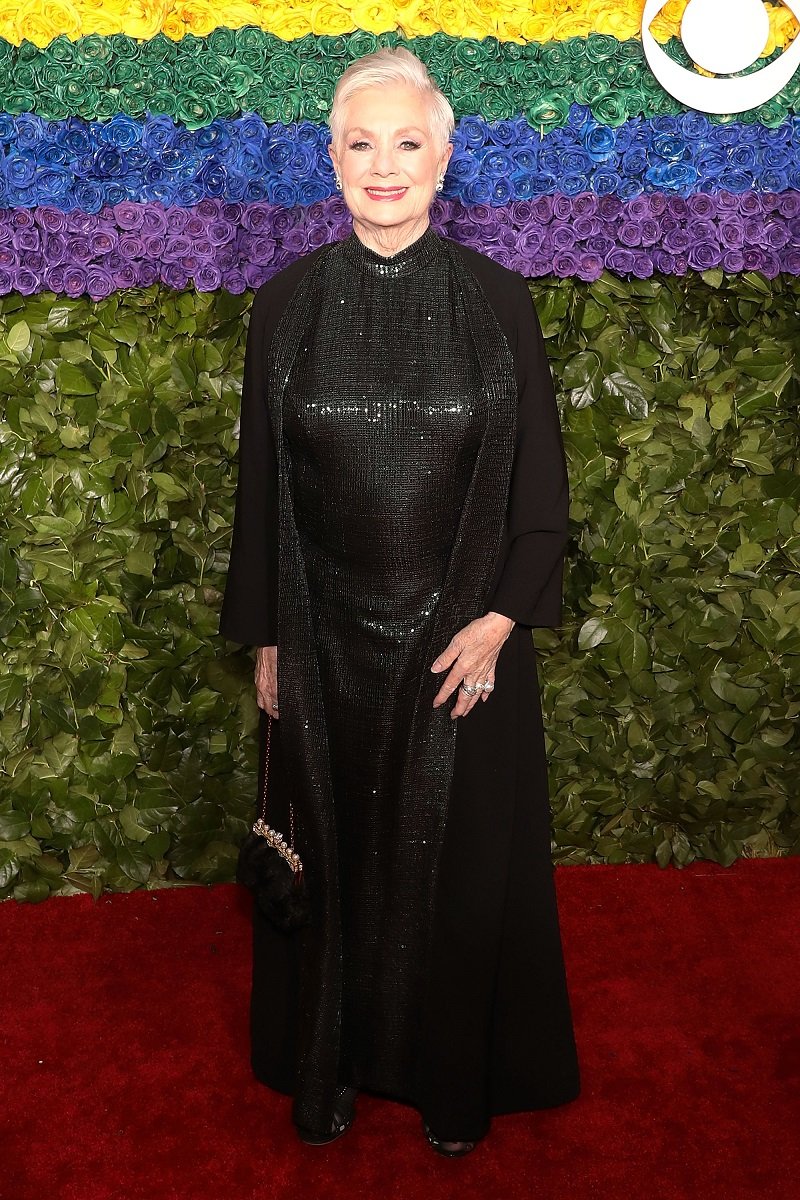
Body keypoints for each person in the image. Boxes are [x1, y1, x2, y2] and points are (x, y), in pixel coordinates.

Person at [219, 45, 581, 1156]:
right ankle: (324, 1060)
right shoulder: (281, 306)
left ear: (443, 157)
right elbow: (261, 488)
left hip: (459, 644)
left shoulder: (497, 301)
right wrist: (269, 638)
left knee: (453, 872)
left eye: (406, 143)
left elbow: (540, 491)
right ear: (330, 158)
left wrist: (500, 621)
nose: (383, 166)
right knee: (331, 858)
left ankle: (448, 1079)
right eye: (359, 144)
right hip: (323, 643)